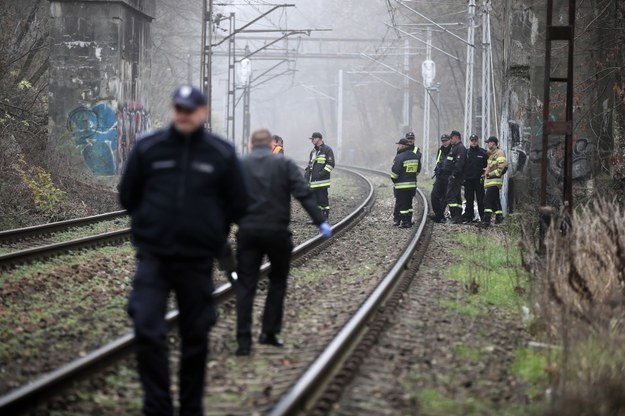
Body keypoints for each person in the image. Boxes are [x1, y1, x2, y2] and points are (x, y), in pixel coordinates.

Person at [119, 85, 248, 416]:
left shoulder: (220, 153)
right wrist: (151, 225)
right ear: (173, 110)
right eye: (179, 109)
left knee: (196, 335)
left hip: (197, 261)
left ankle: (191, 408)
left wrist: (212, 230)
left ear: (203, 112)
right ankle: (157, 406)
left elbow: (238, 202)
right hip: (154, 257)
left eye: (191, 110)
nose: (184, 115)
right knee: (147, 326)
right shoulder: (149, 148)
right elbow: (127, 195)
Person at [235, 129, 331, 356]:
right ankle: (269, 332)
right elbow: (303, 194)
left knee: (246, 284)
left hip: (248, 232)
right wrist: (320, 222)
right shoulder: (284, 164)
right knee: (277, 282)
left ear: (251, 145)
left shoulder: (240, 165)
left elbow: (226, 197)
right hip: (276, 232)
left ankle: (243, 340)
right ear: (270, 144)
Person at [305, 132, 335, 220]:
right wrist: (307, 175)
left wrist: (320, 174)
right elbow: (310, 165)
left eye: (313, 139)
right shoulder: (313, 151)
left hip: (322, 182)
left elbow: (331, 164)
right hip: (313, 182)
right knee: (315, 201)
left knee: (323, 201)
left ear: (318, 139)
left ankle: (325, 218)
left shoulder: (327, 150)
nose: (312, 141)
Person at [479, 136, 508, 228]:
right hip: (490, 182)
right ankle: (499, 218)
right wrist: (485, 171)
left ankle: (486, 222)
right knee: (496, 201)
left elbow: (501, 168)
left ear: (493, 143)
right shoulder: (491, 154)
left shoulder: (499, 153)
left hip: (495, 182)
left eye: (489, 142)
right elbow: (491, 166)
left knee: (487, 201)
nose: (488, 144)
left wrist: (489, 174)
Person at [391, 138, 420, 228]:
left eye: (399, 145)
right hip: (412, 185)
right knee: (409, 204)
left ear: (403, 145)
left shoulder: (400, 157)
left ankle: (404, 222)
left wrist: (394, 180)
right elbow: (418, 170)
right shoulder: (415, 156)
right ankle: (408, 220)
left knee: (402, 204)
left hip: (401, 185)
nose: (398, 147)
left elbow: (395, 172)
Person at [442, 130, 467, 224]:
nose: (450, 140)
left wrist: (454, 175)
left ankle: (455, 216)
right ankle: (458, 216)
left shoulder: (460, 148)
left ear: (456, 137)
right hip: (453, 175)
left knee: (450, 196)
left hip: (456, 177)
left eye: (451, 138)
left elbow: (459, 164)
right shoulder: (455, 147)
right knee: (456, 196)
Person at [462, 134, 488, 223]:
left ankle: (483, 217)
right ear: (469, 141)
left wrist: (484, 176)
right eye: (472, 140)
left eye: (475, 140)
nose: (473, 142)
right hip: (468, 180)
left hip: (479, 180)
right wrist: (463, 179)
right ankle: (469, 218)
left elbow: (487, 166)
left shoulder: (483, 153)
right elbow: (462, 166)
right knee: (469, 200)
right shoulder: (466, 153)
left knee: (481, 199)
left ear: (478, 141)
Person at [430, 134, 452, 223]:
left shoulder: (453, 149)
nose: (444, 142)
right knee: (434, 195)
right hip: (440, 176)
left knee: (445, 197)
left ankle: (440, 216)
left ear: (449, 140)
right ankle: (439, 215)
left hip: (449, 177)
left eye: (446, 140)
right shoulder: (440, 150)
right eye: (443, 141)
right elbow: (437, 162)